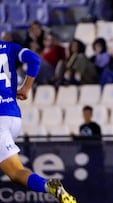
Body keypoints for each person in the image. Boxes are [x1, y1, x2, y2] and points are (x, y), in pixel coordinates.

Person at [0, 40, 76, 202]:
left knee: (15, 172)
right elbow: (35, 59)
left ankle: (48, 186)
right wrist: (27, 88)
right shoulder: (9, 47)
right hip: (13, 115)